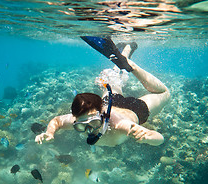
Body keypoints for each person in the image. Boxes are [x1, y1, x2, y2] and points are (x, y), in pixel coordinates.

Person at [35, 36, 170, 147]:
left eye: (94, 122)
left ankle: (131, 66)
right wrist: (50, 132)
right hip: (111, 100)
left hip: (136, 110)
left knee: (165, 93)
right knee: (113, 76)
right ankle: (125, 54)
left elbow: (159, 138)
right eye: (81, 127)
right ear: (76, 121)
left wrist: (147, 137)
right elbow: (57, 121)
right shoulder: (80, 119)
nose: (90, 130)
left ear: (102, 115)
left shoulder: (119, 125)